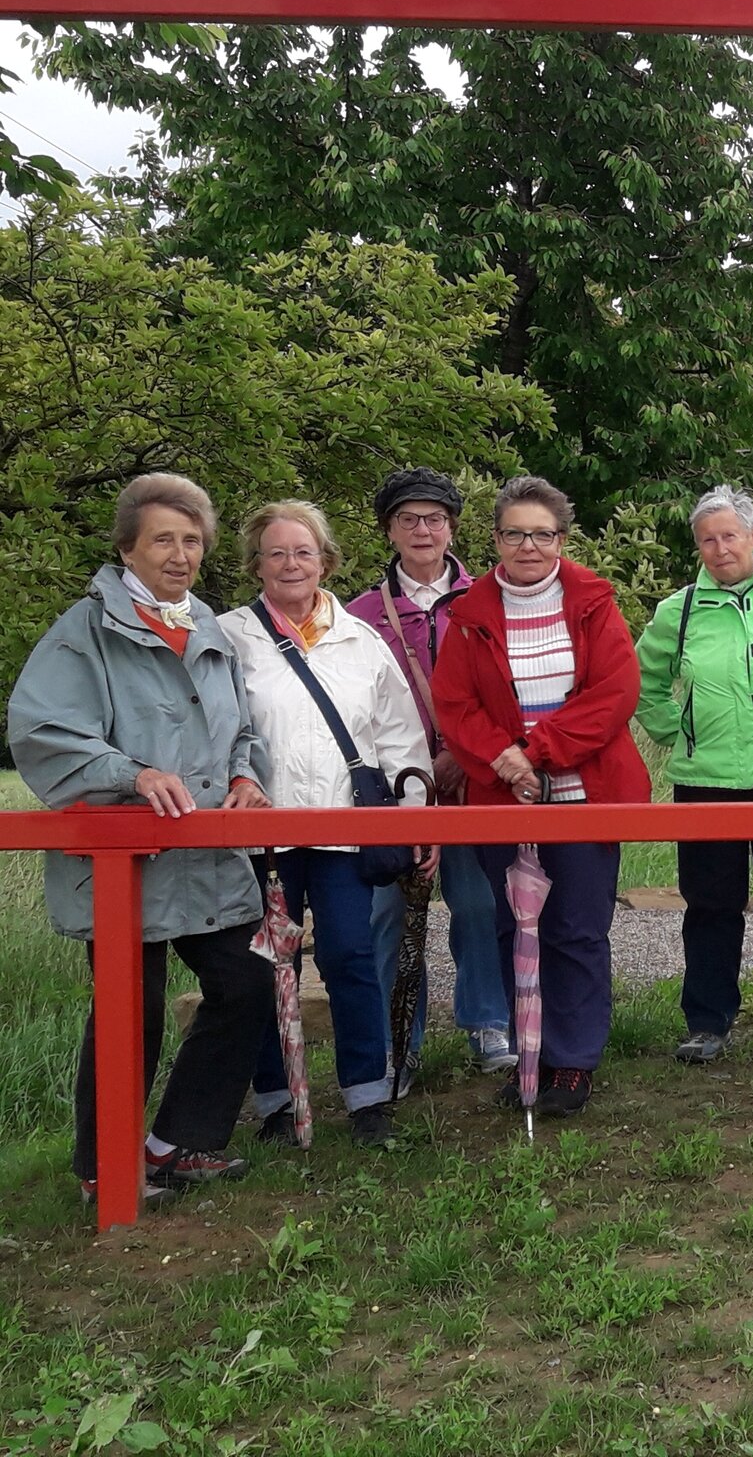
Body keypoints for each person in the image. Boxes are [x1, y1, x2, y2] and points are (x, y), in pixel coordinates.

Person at [8, 473, 274, 1204]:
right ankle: (104, 1170)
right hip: (124, 858)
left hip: (209, 858)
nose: (180, 554)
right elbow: (42, 729)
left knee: (248, 981)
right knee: (133, 1007)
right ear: (127, 545)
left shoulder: (209, 626)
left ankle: (175, 1144)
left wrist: (247, 777)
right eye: (163, 539)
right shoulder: (83, 631)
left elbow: (240, 730)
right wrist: (130, 774)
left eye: (193, 540)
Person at [432, 476, 651, 1118]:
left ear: (562, 538)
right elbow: (455, 703)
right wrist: (505, 760)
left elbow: (613, 695)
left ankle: (574, 1061)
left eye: (543, 533)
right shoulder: (468, 613)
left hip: (585, 796)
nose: (529, 545)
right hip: (502, 796)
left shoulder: (592, 602)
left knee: (575, 931)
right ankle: (533, 1052)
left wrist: (537, 751)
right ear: (495, 539)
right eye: (515, 533)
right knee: (512, 927)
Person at [220, 501, 433, 1147]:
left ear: (326, 560)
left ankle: (368, 1098)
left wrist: (413, 820)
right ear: (256, 563)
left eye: (303, 552)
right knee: (264, 967)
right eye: (277, 552)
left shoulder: (362, 641)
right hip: (262, 836)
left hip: (345, 832)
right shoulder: (229, 637)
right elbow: (211, 726)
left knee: (351, 957)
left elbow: (400, 739)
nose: (291, 564)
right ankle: (278, 1103)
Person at [635, 485, 753, 1067]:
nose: (719, 549)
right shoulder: (681, 609)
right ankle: (707, 1021)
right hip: (707, 780)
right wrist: (678, 732)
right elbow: (641, 681)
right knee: (710, 904)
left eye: (729, 536)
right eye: (706, 540)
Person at [344, 468, 515, 1085]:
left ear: (452, 527)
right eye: (409, 519)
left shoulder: (491, 597)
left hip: (474, 779)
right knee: (390, 914)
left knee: (478, 904)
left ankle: (488, 1021)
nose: (423, 530)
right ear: (389, 529)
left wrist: (470, 755)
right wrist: (404, 770)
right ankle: (397, 1038)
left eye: (435, 518)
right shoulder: (359, 615)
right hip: (397, 788)